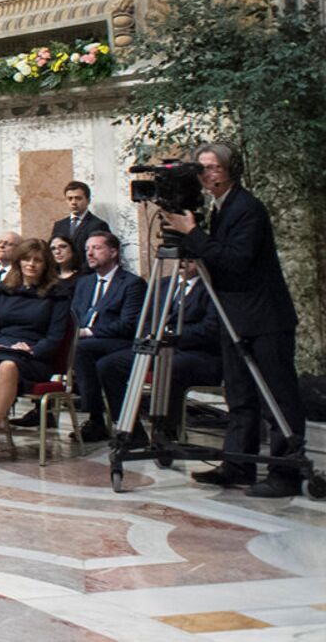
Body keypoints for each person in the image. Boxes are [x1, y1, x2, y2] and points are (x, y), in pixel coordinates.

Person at [161, 143, 305, 498]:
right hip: (234, 315)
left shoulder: (248, 208)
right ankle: (238, 464)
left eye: (213, 168)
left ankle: (285, 474)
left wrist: (193, 233)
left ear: (230, 170)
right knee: (239, 394)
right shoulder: (219, 209)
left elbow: (236, 260)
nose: (206, 175)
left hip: (264, 317)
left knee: (276, 397)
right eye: (203, 168)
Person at [0, 238, 71, 468]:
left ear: (46, 264)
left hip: (34, 355)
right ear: (18, 262)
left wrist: (31, 349)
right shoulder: (2, 288)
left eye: (37, 260)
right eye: (26, 259)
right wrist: (4, 344)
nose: (31, 264)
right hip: (0, 347)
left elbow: (55, 337)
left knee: (8, 366)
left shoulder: (57, 293)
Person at [95, 262, 223, 444]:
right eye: (181, 258)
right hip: (158, 348)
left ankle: (166, 430)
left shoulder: (211, 287)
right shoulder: (162, 284)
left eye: (190, 259)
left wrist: (171, 335)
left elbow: (211, 328)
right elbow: (144, 317)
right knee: (109, 365)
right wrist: (152, 335)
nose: (183, 263)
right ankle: (131, 429)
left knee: (171, 367)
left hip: (195, 352)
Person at [62, 231, 145, 441]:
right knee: (95, 359)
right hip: (88, 342)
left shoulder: (131, 283)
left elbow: (128, 324)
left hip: (119, 341)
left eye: (96, 248)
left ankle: (95, 417)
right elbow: (74, 315)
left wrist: (90, 332)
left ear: (113, 251)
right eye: (87, 249)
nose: (90, 253)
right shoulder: (84, 283)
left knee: (82, 349)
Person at [52, 180, 110, 246]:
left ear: (88, 201)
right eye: (70, 198)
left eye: (78, 198)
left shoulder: (99, 225)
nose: (73, 202)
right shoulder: (59, 226)